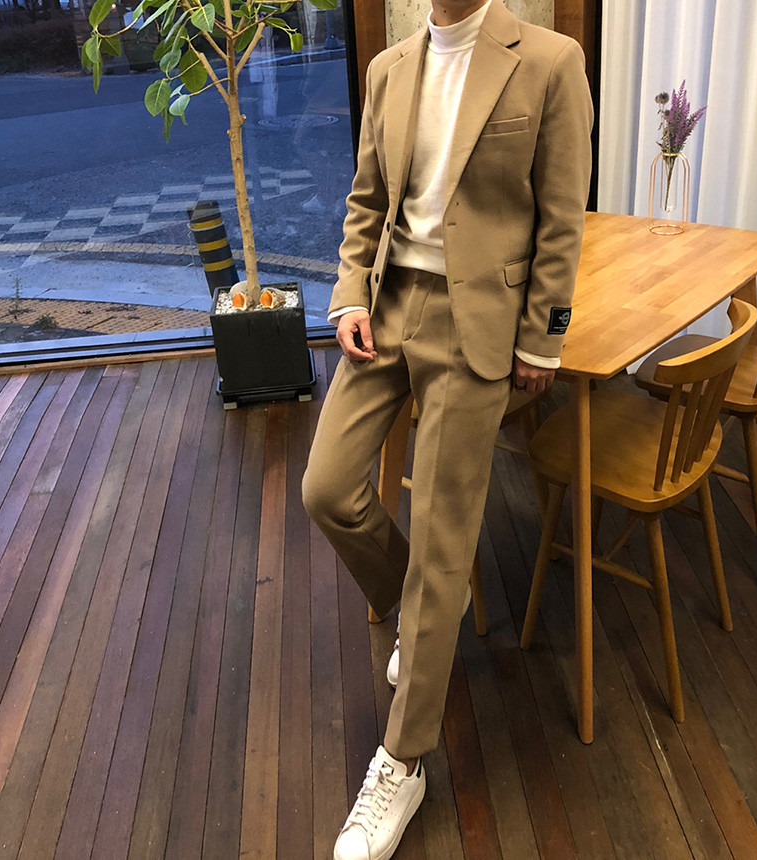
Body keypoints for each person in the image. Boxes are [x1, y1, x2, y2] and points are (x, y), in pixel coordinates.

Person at [302, 0, 592, 857]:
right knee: (327, 489)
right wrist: (349, 293)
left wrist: (544, 335)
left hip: (481, 324)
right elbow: (367, 201)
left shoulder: (549, 61)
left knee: (443, 533)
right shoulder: (388, 69)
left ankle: (405, 759)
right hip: (389, 305)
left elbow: (562, 215)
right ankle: (417, 604)